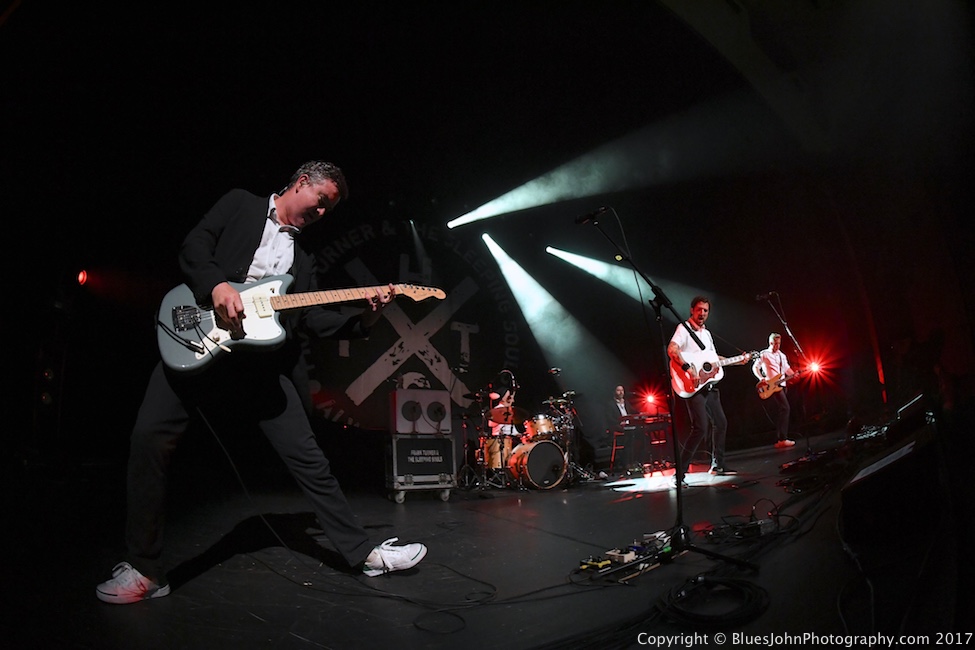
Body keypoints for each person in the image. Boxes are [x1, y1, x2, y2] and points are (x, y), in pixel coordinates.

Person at [96, 161, 427, 605]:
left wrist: (368, 314)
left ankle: (365, 553)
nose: (323, 212)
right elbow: (194, 245)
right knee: (148, 440)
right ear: (300, 183)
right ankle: (146, 570)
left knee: (308, 457)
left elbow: (312, 319)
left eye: (330, 209)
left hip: (258, 368)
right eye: (322, 201)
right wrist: (216, 286)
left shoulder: (302, 260)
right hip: (198, 340)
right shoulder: (240, 204)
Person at [667, 296, 748, 477]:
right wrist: (689, 370)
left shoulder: (707, 334)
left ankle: (718, 465)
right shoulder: (684, 329)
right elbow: (672, 350)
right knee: (700, 428)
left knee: (721, 423)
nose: (702, 313)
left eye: (705, 310)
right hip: (693, 385)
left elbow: (713, 360)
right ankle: (679, 474)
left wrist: (737, 361)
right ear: (692, 310)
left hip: (709, 385)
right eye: (699, 310)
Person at [754, 333, 796, 448]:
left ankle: (779, 439)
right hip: (771, 385)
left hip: (781, 384)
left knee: (783, 409)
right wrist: (761, 378)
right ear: (770, 342)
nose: (777, 346)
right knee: (785, 408)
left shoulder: (782, 355)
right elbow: (755, 367)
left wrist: (794, 374)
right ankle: (782, 438)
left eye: (779, 343)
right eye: (775, 343)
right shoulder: (764, 354)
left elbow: (786, 368)